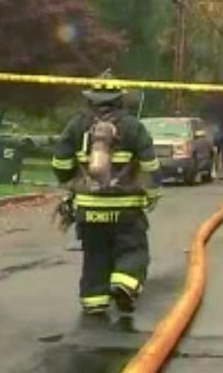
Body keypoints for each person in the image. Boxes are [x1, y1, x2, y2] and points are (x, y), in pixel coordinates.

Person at [51, 72, 161, 317]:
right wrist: (152, 191)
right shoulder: (133, 126)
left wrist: (70, 180)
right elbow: (151, 165)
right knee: (132, 250)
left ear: (90, 99)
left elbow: (59, 164)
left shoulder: (77, 125)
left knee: (95, 256)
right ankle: (124, 284)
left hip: (89, 210)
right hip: (126, 209)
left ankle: (94, 301)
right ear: (119, 99)